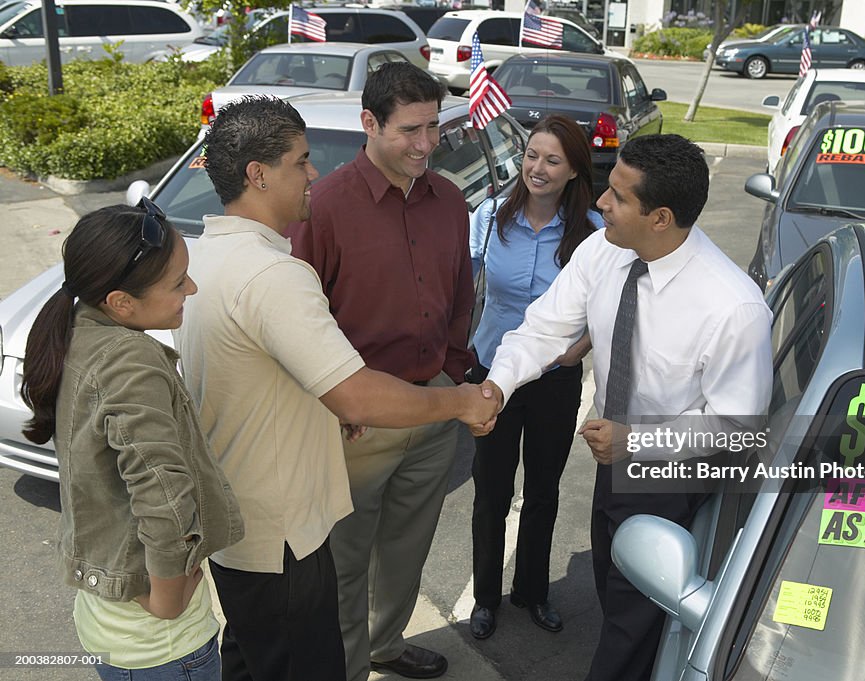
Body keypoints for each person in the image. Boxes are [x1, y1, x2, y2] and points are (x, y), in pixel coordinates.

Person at [177, 95, 498, 681]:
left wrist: (323, 407)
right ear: (258, 174)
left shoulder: (209, 258)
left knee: (251, 664)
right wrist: (459, 402)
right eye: (300, 162)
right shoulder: (275, 275)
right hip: (283, 539)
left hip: (240, 531)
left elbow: (260, 379)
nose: (312, 173)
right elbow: (357, 394)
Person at [477, 135, 773, 681]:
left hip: (671, 478)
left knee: (632, 625)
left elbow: (739, 428)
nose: (601, 205)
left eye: (616, 196)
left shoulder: (733, 308)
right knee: (617, 593)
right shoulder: (604, 250)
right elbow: (544, 327)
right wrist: (498, 386)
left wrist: (634, 439)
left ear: (660, 217)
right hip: (613, 464)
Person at [288, 62, 474, 681]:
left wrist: (450, 374)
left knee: (406, 550)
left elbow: (459, 297)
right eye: (410, 130)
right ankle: (346, 669)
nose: (426, 144)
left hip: (435, 407)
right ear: (369, 123)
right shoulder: (326, 206)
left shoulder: (450, 201)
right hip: (359, 422)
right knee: (344, 563)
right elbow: (301, 316)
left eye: (434, 128)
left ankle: (385, 648)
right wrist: (336, 405)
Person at [20, 202, 244, 680]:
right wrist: (167, 597)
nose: (192, 288)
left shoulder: (80, 329)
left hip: (109, 624)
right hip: (161, 645)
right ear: (121, 302)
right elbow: (162, 490)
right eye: (177, 282)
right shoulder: (130, 361)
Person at [467, 115, 601, 640]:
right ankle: (484, 599)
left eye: (551, 160)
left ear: (572, 171)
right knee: (492, 491)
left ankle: (533, 592)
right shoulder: (490, 216)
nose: (536, 169)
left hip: (554, 380)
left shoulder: (593, 233)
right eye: (531, 157)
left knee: (543, 490)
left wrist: (579, 351)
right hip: (494, 375)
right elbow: (467, 288)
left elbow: (604, 306)